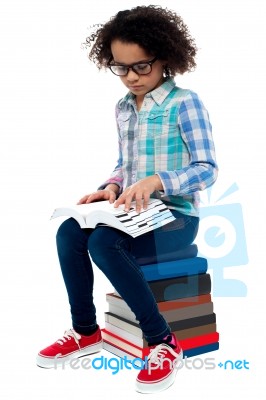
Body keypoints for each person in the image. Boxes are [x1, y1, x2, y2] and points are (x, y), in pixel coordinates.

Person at [37, 5, 218, 394]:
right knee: (69, 231)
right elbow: (125, 164)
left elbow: (207, 169)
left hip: (176, 217)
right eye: (121, 68)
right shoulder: (122, 108)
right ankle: (86, 330)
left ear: (165, 58)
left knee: (104, 243)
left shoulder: (185, 103)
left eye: (142, 66)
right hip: (132, 213)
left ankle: (163, 342)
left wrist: (158, 181)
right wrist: (112, 187)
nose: (132, 77)